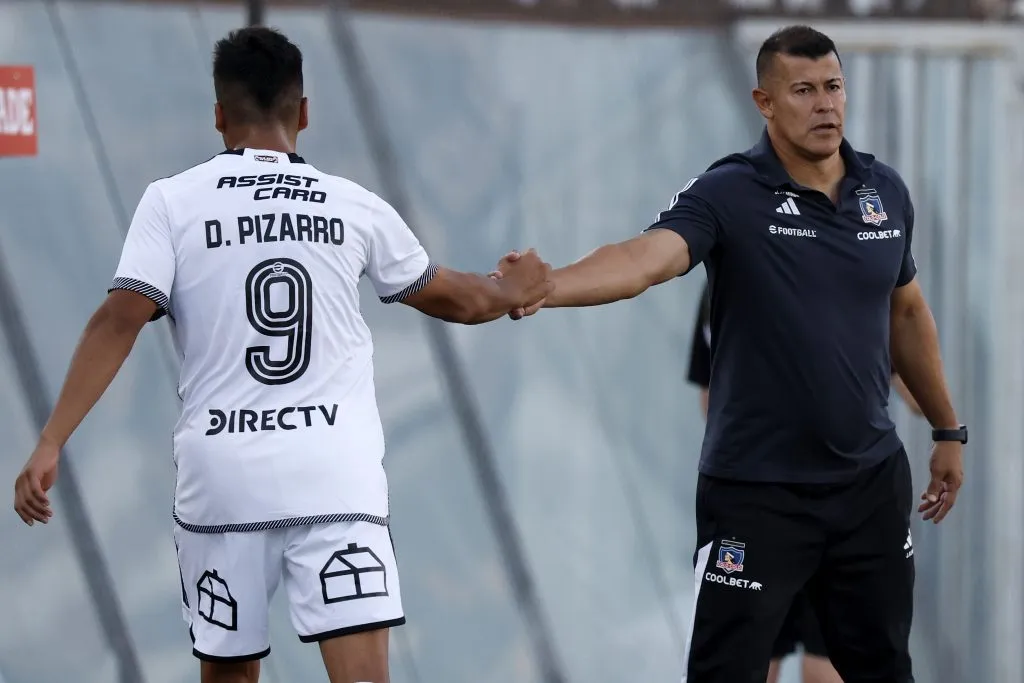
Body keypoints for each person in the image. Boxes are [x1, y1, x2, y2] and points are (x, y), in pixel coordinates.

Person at [12, 27, 551, 683]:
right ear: (304, 112)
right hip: (331, 472)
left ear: (218, 116)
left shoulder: (173, 203)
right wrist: (515, 288)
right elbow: (458, 300)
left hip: (224, 475)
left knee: (231, 675)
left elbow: (118, 320)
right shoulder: (352, 205)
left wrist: (51, 439)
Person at [496, 24, 965, 683]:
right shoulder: (731, 191)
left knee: (883, 669)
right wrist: (553, 285)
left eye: (834, 87)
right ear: (764, 102)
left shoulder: (883, 191)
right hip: (756, 494)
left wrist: (948, 427)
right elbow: (643, 259)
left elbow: (908, 311)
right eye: (803, 90)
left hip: (868, 489)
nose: (825, 104)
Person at [686, 281, 924, 683]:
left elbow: (711, 398)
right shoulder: (845, 273)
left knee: (781, 658)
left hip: (775, 498)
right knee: (800, 660)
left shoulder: (733, 269)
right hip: (811, 498)